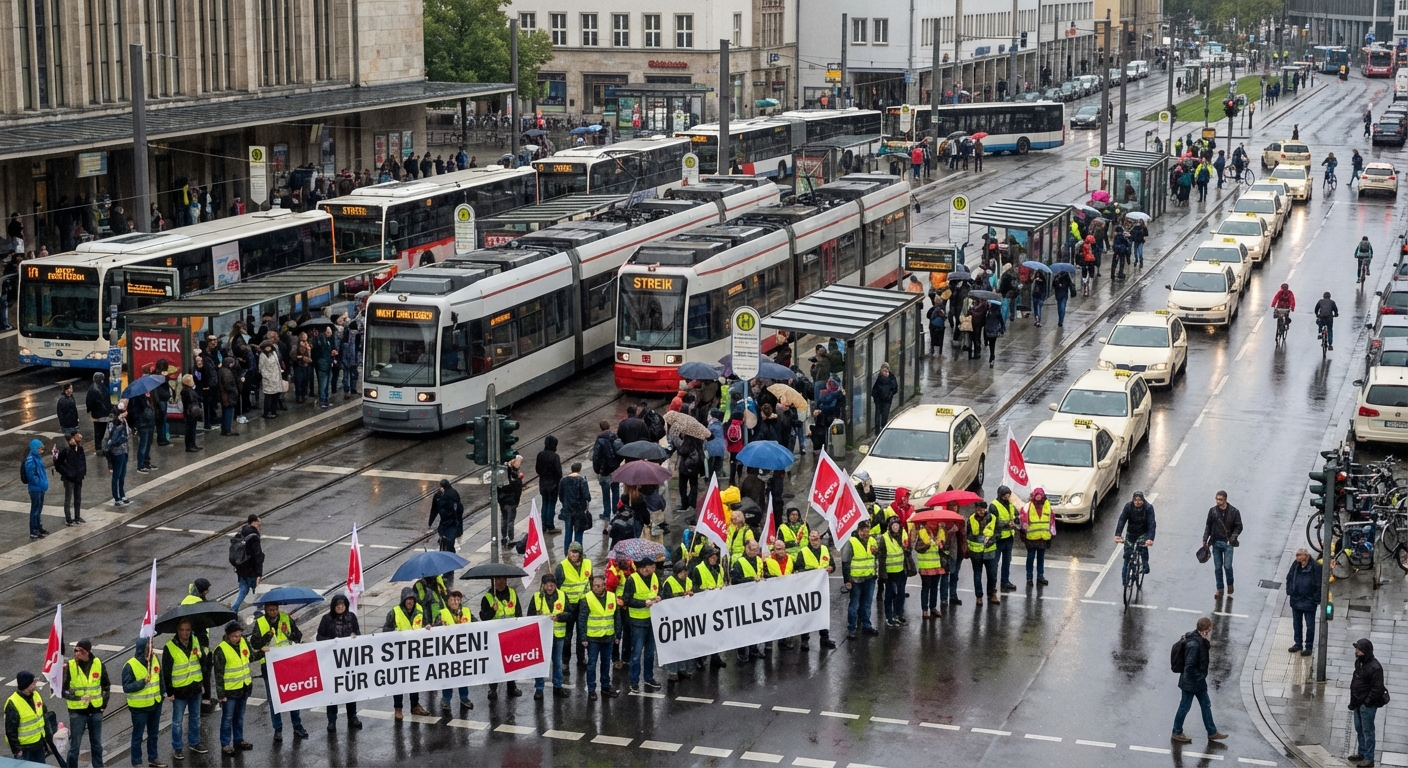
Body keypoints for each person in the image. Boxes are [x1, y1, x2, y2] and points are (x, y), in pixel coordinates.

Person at [250, 602, 308, 740]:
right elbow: (255, 644)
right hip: (269, 666)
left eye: (275, 609)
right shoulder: (260, 623)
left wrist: (287, 633)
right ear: (265, 610)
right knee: (274, 699)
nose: (273, 612)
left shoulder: (286, 618)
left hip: (287, 664)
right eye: (270, 610)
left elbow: (298, 636)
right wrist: (268, 636)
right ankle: (278, 729)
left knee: (292, 696)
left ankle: (297, 726)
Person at [1170, 617, 1228, 743]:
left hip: (1197, 682)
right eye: (1209, 630)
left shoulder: (1198, 640)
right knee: (1185, 707)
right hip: (1190, 682)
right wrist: (1200, 676)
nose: (1210, 632)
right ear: (1204, 630)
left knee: (1205, 704)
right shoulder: (1194, 645)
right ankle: (1176, 732)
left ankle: (1212, 732)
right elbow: (1189, 667)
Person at [315, 595, 362, 729]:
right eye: (337, 605)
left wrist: (355, 636)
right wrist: (331, 641)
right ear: (333, 606)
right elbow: (319, 637)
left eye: (342, 604)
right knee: (332, 691)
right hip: (332, 661)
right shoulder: (326, 619)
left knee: (350, 689)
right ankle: (332, 720)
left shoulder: (352, 617)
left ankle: (352, 717)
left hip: (348, 660)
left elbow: (358, 633)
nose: (340, 607)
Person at [64, 638, 110, 767]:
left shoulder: (98, 664)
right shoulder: (70, 666)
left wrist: (103, 705)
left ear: (87, 652)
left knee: (97, 745)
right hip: (77, 712)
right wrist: (79, 698)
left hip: (95, 710)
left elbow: (106, 686)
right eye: (75, 650)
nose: (76, 653)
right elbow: (63, 690)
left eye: (80, 651)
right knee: (75, 746)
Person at [383, 588, 428, 716]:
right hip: (399, 653)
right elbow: (385, 630)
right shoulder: (394, 612)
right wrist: (395, 634)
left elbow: (425, 624)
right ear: (403, 600)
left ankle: (415, 705)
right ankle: (398, 708)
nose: (410, 602)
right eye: (407, 599)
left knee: (414, 679)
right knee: (399, 681)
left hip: (414, 652)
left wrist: (428, 628)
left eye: (412, 599)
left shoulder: (420, 610)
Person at [123, 635, 164, 767]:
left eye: (152, 646)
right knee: (138, 736)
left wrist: (162, 696)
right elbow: (127, 687)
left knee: (153, 734)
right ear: (142, 648)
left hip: (155, 704)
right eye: (149, 646)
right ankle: (137, 762)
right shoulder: (130, 665)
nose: (152, 649)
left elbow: (161, 679)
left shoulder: (155, 660)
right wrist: (142, 683)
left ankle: (153, 758)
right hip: (139, 708)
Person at [213, 621, 253, 756]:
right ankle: (225, 744)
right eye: (234, 636)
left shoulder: (243, 642)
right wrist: (221, 694)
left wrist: (264, 651)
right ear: (228, 635)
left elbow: (251, 657)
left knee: (239, 716)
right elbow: (218, 674)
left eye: (239, 635)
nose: (237, 638)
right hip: (229, 691)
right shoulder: (221, 650)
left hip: (243, 687)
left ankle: (238, 739)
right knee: (228, 718)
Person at [481, 576, 523, 699]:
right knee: (495, 663)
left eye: (503, 579)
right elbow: (484, 617)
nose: (501, 582)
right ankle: (493, 689)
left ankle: (512, 687)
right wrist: (492, 611)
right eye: (498, 579)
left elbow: (518, 612)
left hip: (510, 635)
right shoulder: (487, 598)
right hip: (495, 637)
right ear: (494, 581)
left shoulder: (512, 593)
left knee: (511, 661)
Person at [578, 576, 620, 700]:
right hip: (593, 638)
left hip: (608, 636)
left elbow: (617, 617)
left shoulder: (612, 597)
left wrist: (618, 634)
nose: (599, 588)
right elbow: (582, 620)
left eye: (602, 585)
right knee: (592, 664)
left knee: (606, 663)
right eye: (596, 586)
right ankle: (591, 689)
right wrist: (583, 637)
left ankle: (605, 686)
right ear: (592, 586)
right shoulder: (587, 599)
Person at [529, 576, 570, 700]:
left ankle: (558, 687)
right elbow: (529, 616)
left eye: (552, 584)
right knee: (540, 663)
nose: (550, 587)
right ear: (543, 585)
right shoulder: (537, 597)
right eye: (547, 585)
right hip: (542, 636)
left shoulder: (562, 595)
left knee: (557, 662)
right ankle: (539, 688)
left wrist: (560, 617)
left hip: (558, 636)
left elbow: (569, 613)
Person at [1350, 638, 1388, 767]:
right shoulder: (1359, 663)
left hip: (1366, 705)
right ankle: (1362, 753)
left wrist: (1367, 702)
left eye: (1359, 650)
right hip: (1357, 701)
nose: (1356, 652)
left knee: (1368, 731)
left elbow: (1377, 688)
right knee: (1359, 728)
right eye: (1356, 649)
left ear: (1366, 651)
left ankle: (1369, 758)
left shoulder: (1375, 668)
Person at [795, 531, 837, 648]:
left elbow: (833, 565)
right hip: (808, 589)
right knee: (807, 614)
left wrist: (831, 568)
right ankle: (804, 640)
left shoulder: (825, 549)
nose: (815, 541)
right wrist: (813, 573)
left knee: (823, 613)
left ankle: (825, 637)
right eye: (813, 539)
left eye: (817, 539)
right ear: (809, 539)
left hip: (822, 588)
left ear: (820, 539)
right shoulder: (803, 552)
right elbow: (798, 569)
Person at [554, 542, 591, 671]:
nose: (574, 555)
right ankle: (565, 662)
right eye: (572, 552)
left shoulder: (588, 563)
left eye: (576, 552)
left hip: (582, 605)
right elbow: (557, 587)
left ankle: (581, 659)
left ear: (580, 553)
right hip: (568, 606)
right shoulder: (561, 567)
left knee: (582, 634)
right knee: (567, 636)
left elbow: (589, 581)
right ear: (568, 552)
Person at [1202, 491, 1243, 599]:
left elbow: (1239, 526)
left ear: (1225, 499)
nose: (1218, 502)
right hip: (1216, 543)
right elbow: (1208, 525)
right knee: (1217, 567)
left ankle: (1230, 584)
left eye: (1220, 499)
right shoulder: (1213, 511)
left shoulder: (1234, 511)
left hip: (1228, 543)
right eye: (1217, 499)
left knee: (1227, 566)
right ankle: (1219, 589)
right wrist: (1205, 539)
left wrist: (1233, 537)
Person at [842, 525, 880, 638]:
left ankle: (866, 626)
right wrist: (847, 580)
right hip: (855, 579)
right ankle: (852, 628)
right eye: (863, 531)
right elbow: (845, 562)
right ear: (858, 531)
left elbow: (876, 556)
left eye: (867, 531)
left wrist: (876, 552)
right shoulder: (851, 542)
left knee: (867, 604)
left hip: (869, 577)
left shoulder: (872, 540)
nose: (865, 534)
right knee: (854, 604)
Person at [5, 671, 49, 763]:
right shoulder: (13, 703)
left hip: (38, 744)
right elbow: (10, 730)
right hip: (24, 749)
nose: (35, 685)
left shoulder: (36, 695)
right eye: (33, 683)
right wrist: (17, 750)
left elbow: (44, 715)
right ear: (26, 685)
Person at [1284, 549, 1321, 657]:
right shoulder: (1296, 564)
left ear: (1306, 557)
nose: (1297, 558)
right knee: (1297, 623)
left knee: (1310, 626)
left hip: (1309, 601)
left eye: (1299, 556)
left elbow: (1319, 584)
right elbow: (1289, 577)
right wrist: (1290, 591)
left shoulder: (1316, 567)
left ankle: (1308, 646)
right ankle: (1298, 643)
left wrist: (1315, 599)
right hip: (1296, 600)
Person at [1115, 491, 1157, 583]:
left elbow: (1152, 524)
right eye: (1135, 500)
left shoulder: (1148, 508)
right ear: (1133, 500)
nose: (1137, 502)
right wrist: (1118, 534)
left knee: (1142, 548)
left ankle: (1145, 565)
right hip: (1131, 533)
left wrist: (1150, 538)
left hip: (1142, 533)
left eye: (1139, 500)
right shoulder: (1128, 507)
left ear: (1143, 500)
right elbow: (1122, 520)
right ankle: (1125, 581)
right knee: (1127, 556)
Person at [1019, 488, 1055, 586]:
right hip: (1031, 538)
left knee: (1041, 558)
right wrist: (1023, 531)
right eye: (1037, 495)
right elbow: (1023, 519)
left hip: (1043, 537)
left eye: (1040, 495)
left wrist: (1052, 533)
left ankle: (1040, 576)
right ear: (1034, 495)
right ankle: (1029, 577)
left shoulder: (1047, 505)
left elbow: (1051, 520)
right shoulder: (1028, 506)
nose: (1038, 496)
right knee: (1030, 558)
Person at [879, 516, 910, 626]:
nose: (895, 527)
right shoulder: (884, 538)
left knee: (901, 594)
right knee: (889, 595)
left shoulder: (903, 535)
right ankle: (889, 617)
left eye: (897, 525)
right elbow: (881, 557)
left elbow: (907, 550)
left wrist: (907, 548)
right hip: (889, 572)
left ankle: (899, 615)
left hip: (901, 571)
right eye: (893, 525)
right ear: (890, 526)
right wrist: (882, 573)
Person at [968, 502, 1001, 604]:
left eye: (983, 509)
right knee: (977, 575)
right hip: (975, 552)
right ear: (975, 509)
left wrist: (989, 541)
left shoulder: (993, 518)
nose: (981, 512)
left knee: (992, 575)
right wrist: (978, 538)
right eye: (978, 510)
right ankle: (979, 597)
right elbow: (968, 534)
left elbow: (998, 533)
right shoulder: (971, 519)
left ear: (986, 509)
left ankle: (991, 594)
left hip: (989, 551)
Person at [988, 486, 1019, 591]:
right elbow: (992, 522)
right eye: (1005, 496)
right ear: (1000, 495)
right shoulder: (994, 506)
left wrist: (1017, 520)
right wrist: (1007, 523)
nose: (1007, 498)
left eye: (1009, 496)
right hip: (998, 538)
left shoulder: (1010, 504)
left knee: (1007, 561)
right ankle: (992, 584)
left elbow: (1016, 515)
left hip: (1009, 538)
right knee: (994, 563)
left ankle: (1005, 581)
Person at [592, 421, 623, 520]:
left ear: (600, 428)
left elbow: (596, 456)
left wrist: (597, 469)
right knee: (616, 491)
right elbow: (621, 452)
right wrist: (617, 463)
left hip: (604, 470)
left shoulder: (599, 440)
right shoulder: (616, 438)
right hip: (615, 469)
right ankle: (616, 510)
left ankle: (606, 513)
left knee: (605, 494)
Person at [56, 431, 87, 527]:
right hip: (69, 478)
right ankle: (68, 519)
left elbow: (83, 461)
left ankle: (77, 516)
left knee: (78, 498)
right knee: (68, 498)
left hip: (78, 477)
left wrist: (82, 472)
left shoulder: (80, 448)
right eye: (77, 436)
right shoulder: (65, 450)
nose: (79, 437)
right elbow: (58, 464)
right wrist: (67, 473)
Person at [559, 463, 592, 552]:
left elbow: (561, 495)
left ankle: (567, 552)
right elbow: (587, 496)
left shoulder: (563, 480)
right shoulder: (582, 480)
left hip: (567, 510)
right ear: (579, 469)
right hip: (579, 511)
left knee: (568, 532)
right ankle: (578, 552)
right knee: (578, 532)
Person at [429, 479, 464, 554]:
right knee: (449, 540)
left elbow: (434, 509)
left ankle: (447, 550)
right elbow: (459, 509)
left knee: (448, 539)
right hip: (451, 521)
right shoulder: (453, 493)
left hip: (449, 522)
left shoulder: (439, 495)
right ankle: (450, 552)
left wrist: (430, 522)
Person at [536, 436, 563, 533]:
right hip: (553, 484)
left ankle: (543, 524)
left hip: (543, 483)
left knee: (545, 503)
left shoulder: (540, 455)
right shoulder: (555, 456)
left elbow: (537, 469)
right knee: (551, 504)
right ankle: (550, 525)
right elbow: (558, 472)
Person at [106, 405, 131, 506]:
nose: (125, 414)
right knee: (116, 475)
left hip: (124, 450)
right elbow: (111, 438)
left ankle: (122, 494)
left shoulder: (124, 422)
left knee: (122, 474)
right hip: (116, 452)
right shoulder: (112, 424)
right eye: (123, 412)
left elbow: (128, 432)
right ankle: (116, 497)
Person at [22, 438, 48, 540]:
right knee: (35, 510)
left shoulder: (37, 458)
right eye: (40, 448)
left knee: (39, 509)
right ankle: (34, 530)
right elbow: (31, 476)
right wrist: (39, 482)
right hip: (35, 489)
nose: (41, 450)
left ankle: (38, 527)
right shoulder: (30, 460)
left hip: (40, 487)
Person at [498, 454, 525, 545]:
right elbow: (516, 488)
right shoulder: (513, 475)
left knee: (504, 518)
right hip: (511, 500)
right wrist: (519, 480)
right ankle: (510, 538)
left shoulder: (502, 472)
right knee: (510, 520)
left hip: (502, 500)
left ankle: (504, 537)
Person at [87, 373, 114, 451]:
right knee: (104, 431)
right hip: (105, 415)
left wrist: (90, 410)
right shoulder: (105, 389)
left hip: (96, 415)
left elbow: (89, 402)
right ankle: (105, 447)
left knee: (97, 432)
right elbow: (108, 401)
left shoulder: (91, 389)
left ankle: (98, 448)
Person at [870, 362, 898, 430]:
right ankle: (877, 431)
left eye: (886, 370)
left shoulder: (891, 378)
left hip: (887, 401)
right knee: (877, 417)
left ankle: (883, 429)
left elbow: (895, 388)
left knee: (885, 416)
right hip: (879, 401)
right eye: (883, 370)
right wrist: (876, 397)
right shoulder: (877, 377)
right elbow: (873, 388)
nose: (885, 372)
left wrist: (890, 395)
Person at [179, 375, 201, 452]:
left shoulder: (188, 390)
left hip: (190, 412)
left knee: (192, 429)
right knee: (190, 429)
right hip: (190, 412)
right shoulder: (187, 391)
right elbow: (193, 400)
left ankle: (193, 444)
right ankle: (189, 446)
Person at [982, 298, 1006, 368]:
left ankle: (992, 356)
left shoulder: (988, 312)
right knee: (993, 344)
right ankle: (992, 356)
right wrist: (1002, 329)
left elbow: (985, 321)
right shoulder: (998, 313)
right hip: (994, 331)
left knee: (990, 344)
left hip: (988, 331)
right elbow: (1002, 322)